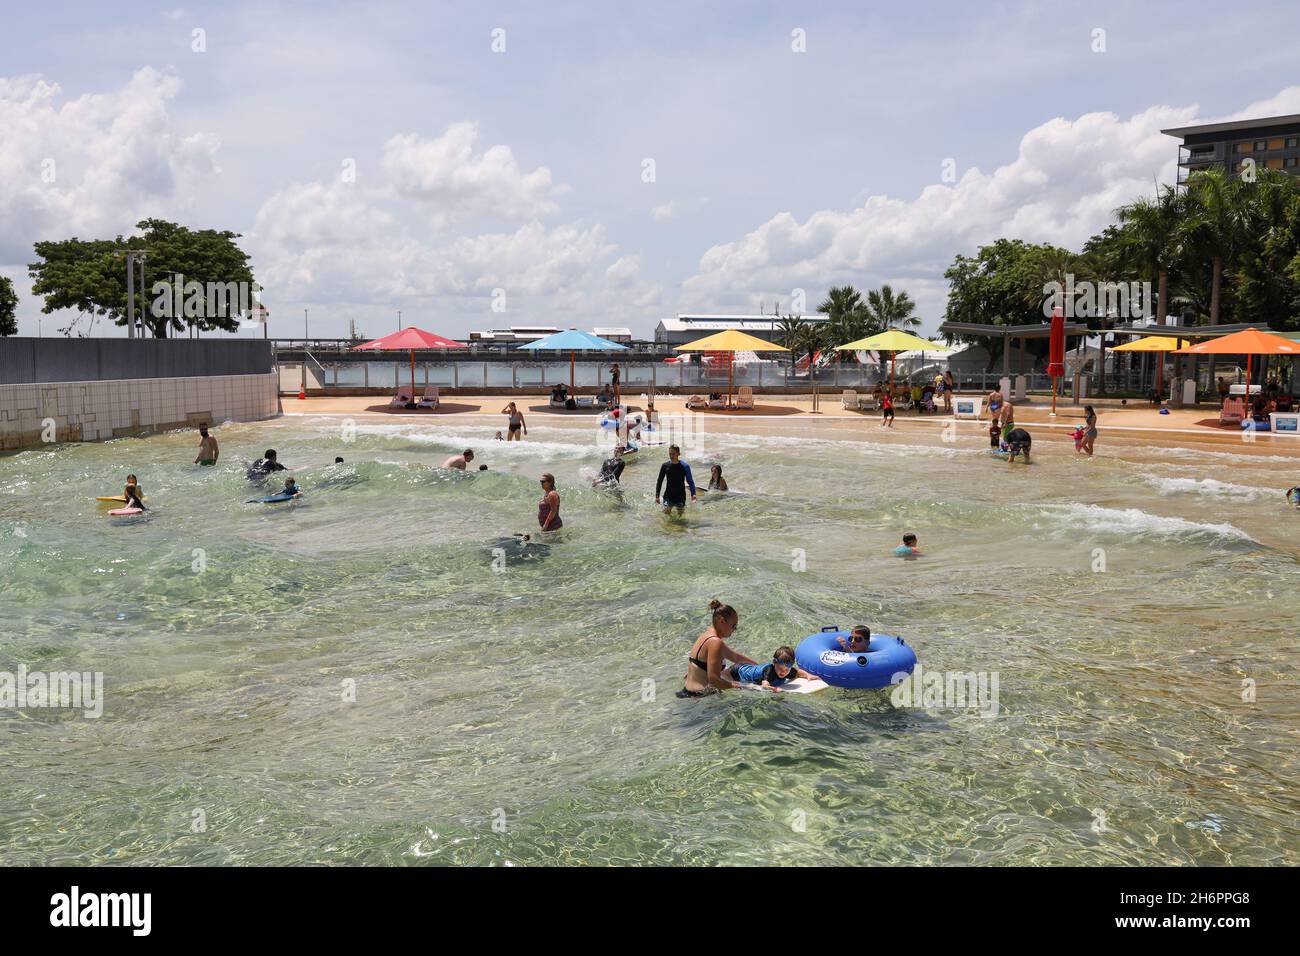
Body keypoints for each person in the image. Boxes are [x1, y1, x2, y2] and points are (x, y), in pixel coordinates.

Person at [678, 600, 758, 697]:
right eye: (734, 626)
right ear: (722, 621)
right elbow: (714, 680)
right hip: (699, 698)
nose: (734, 630)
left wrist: (760, 667)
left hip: (687, 693)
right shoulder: (715, 642)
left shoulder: (706, 635)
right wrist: (737, 686)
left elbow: (735, 657)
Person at [724, 646, 814, 691]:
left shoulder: (787, 670)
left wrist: (808, 675)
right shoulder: (769, 671)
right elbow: (765, 686)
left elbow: (798, 672)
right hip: (736, 672)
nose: (783, 672)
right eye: (780, 669)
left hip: (748, 669)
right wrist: (776, 690)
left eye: (787, 669)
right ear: (774, 663)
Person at [655, 444, 697, 514]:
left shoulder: (685, 466)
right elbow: (659, 481)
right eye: (670, 454)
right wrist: (657, 496)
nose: (671, 456)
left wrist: (693, 494)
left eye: (673, 454)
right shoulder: (665, 466)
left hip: (680, 496)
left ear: (678, 454)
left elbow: (690, 481)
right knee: (666, 513)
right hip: (668, 495)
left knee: (680, 516)